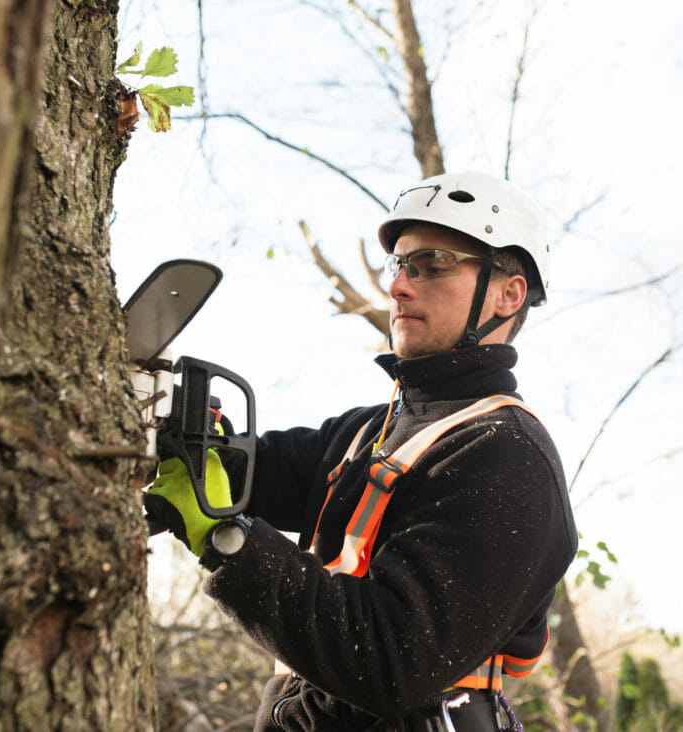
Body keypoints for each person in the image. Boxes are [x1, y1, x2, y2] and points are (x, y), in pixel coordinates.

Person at [145, 171, 578, 731]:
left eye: (433, 264)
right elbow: (250, 468)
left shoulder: (505, 457)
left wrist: (228, 543)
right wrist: (173, 422)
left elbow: (390, 662)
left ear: (507, 293)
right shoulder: (368, 431)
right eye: (399, 265)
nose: (399, 285)